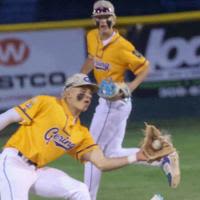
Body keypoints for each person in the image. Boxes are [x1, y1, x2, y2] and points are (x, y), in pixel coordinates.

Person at [81, 1, 180, 199]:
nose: (103, 21)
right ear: (94, 19)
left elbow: (144, 67)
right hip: (107, 102)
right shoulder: (91, 36)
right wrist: (80, 79)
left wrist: (130, 87)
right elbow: (92, 59)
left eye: (106, 17)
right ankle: (162, 157)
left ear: (114, 19)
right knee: (112, 153)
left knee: (90, 153)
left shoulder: (122, 46)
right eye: (99, 17)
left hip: (114, 103)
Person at [0, 73, 152, 200]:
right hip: (13, 164)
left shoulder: (81, 133)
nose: (87, 95)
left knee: (80, 190)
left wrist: (137, 156)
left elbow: (102, 163)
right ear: (67, 93)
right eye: (82, 90)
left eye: (90, 93)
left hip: (36, 171)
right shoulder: (47, 103)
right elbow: (6, 117)